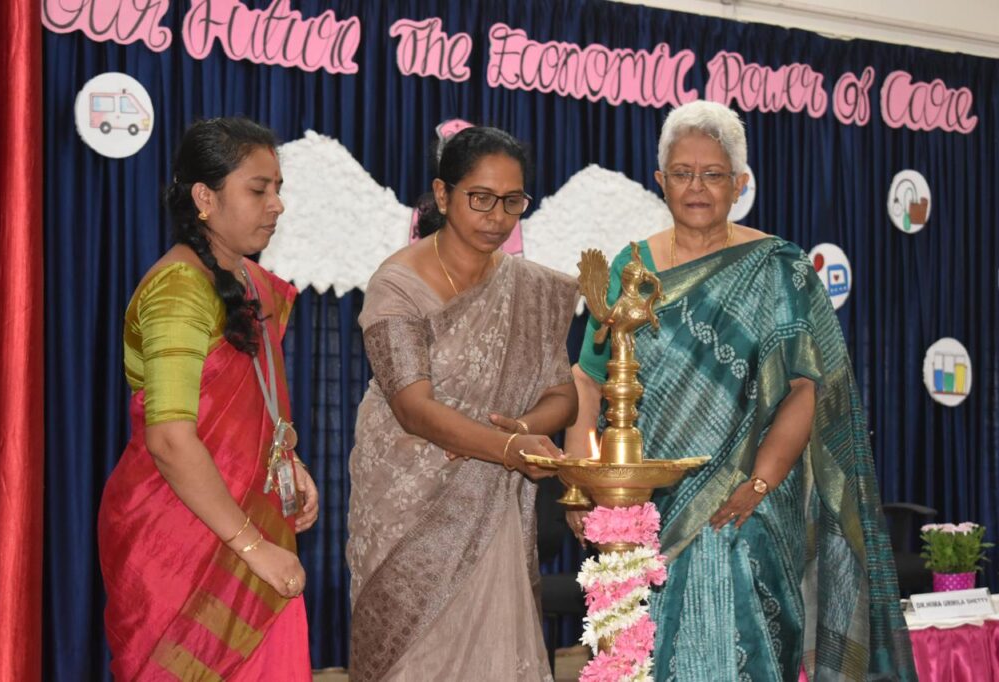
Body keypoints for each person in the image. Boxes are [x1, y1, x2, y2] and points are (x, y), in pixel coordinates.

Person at [565, 101, 916, 681]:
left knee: (749, 650)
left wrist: (758, 482)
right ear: (660, 180)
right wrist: (582, 484)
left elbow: (804, 388)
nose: (696, 187)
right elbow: (587, 378)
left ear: (739, 184)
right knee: (644, 655)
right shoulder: (631, 268)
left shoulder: (778, 269)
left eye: (713, 174)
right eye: (682, 173)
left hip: (749, 508)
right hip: (646, 510)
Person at [347, 126, 579, 681]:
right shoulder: (397, 284)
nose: (497, 217)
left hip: (492, 500)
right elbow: (413, 408)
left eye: (512, 201)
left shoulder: (532, 289)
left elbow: (563, 396)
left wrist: (516, 430)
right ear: (444, 194)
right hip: (406, 503)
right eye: (481, 198)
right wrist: (508, 447)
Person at [98, 117, 318, 681]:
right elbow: (171, 440)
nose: (277, 205)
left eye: (278, 189)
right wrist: (254, 548)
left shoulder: (253, 284)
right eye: (258, 189)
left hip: (252, 529)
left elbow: (254, 407)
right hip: (182, 543)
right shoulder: (178, 289)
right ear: (204, 197)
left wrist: (287, 462)